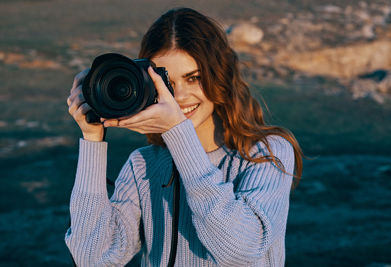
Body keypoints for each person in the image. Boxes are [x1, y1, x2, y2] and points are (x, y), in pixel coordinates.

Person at [65, 7, 303, 267]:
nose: (178, 97)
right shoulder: (144, 165)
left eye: (194, 78)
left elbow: (240, 253)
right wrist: (92, 139)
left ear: (219, 76)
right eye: (166, 82)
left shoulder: (265, 154)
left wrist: (179, 135)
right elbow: (92, 259)